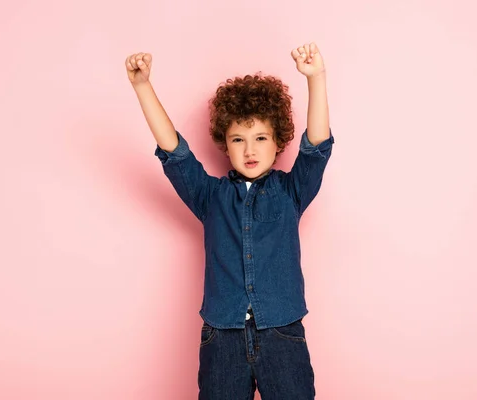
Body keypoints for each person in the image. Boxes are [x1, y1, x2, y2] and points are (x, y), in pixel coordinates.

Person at [125, 42, 334, 400]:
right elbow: (175, 154)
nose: (249, 150)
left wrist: (316, 78)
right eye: (238, 139)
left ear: (278, 141)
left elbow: (316, 147)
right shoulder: (210, 196)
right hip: (222, 337)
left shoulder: (291, 192)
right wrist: (143, 86)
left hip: (281, 332)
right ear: (224, 142)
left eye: (260, 138)